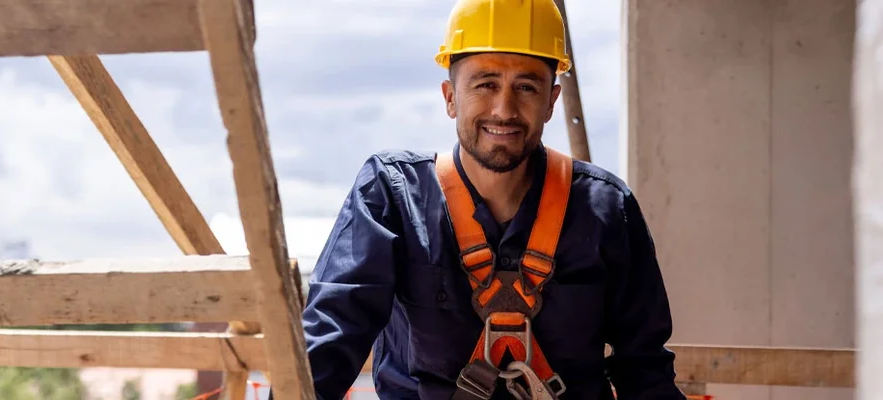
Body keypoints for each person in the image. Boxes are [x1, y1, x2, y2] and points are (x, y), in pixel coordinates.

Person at [291, 0, 686, 398]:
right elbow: (327, 346)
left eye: (526, 87)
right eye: (485, 84)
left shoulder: (605, 210)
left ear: (551, 100)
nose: (504, 109)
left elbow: (645, 370)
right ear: (450, 97)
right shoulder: (392, 199)